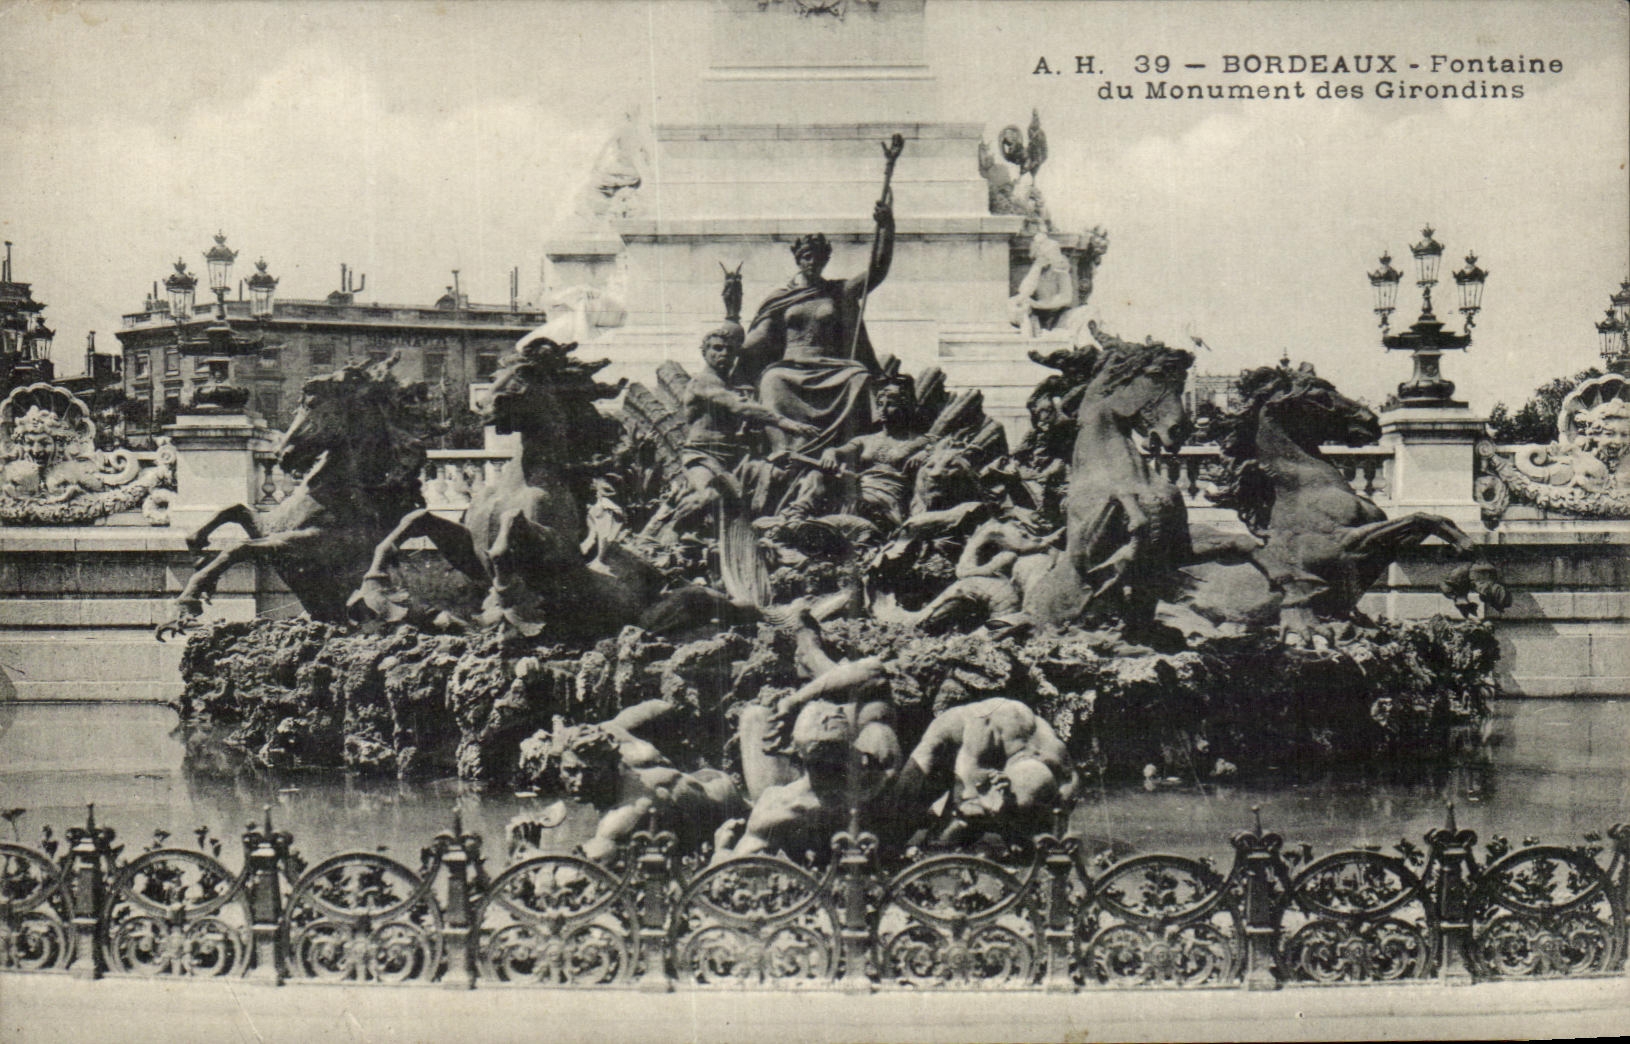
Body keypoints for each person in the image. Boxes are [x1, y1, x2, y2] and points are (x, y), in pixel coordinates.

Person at [739, 200, 895, 455]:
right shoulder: (781, 298)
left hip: (831, 367)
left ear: (825, 260)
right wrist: (734, 340)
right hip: (791, 367)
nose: (813, 262)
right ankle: (782, 450)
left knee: (858, 377)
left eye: (819, 257)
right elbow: (761, 336)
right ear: (798, 260)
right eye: (807, 257)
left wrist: (886, 226)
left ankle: (849, 451)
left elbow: (877, 269)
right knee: (771, 380)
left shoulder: (838, 291)